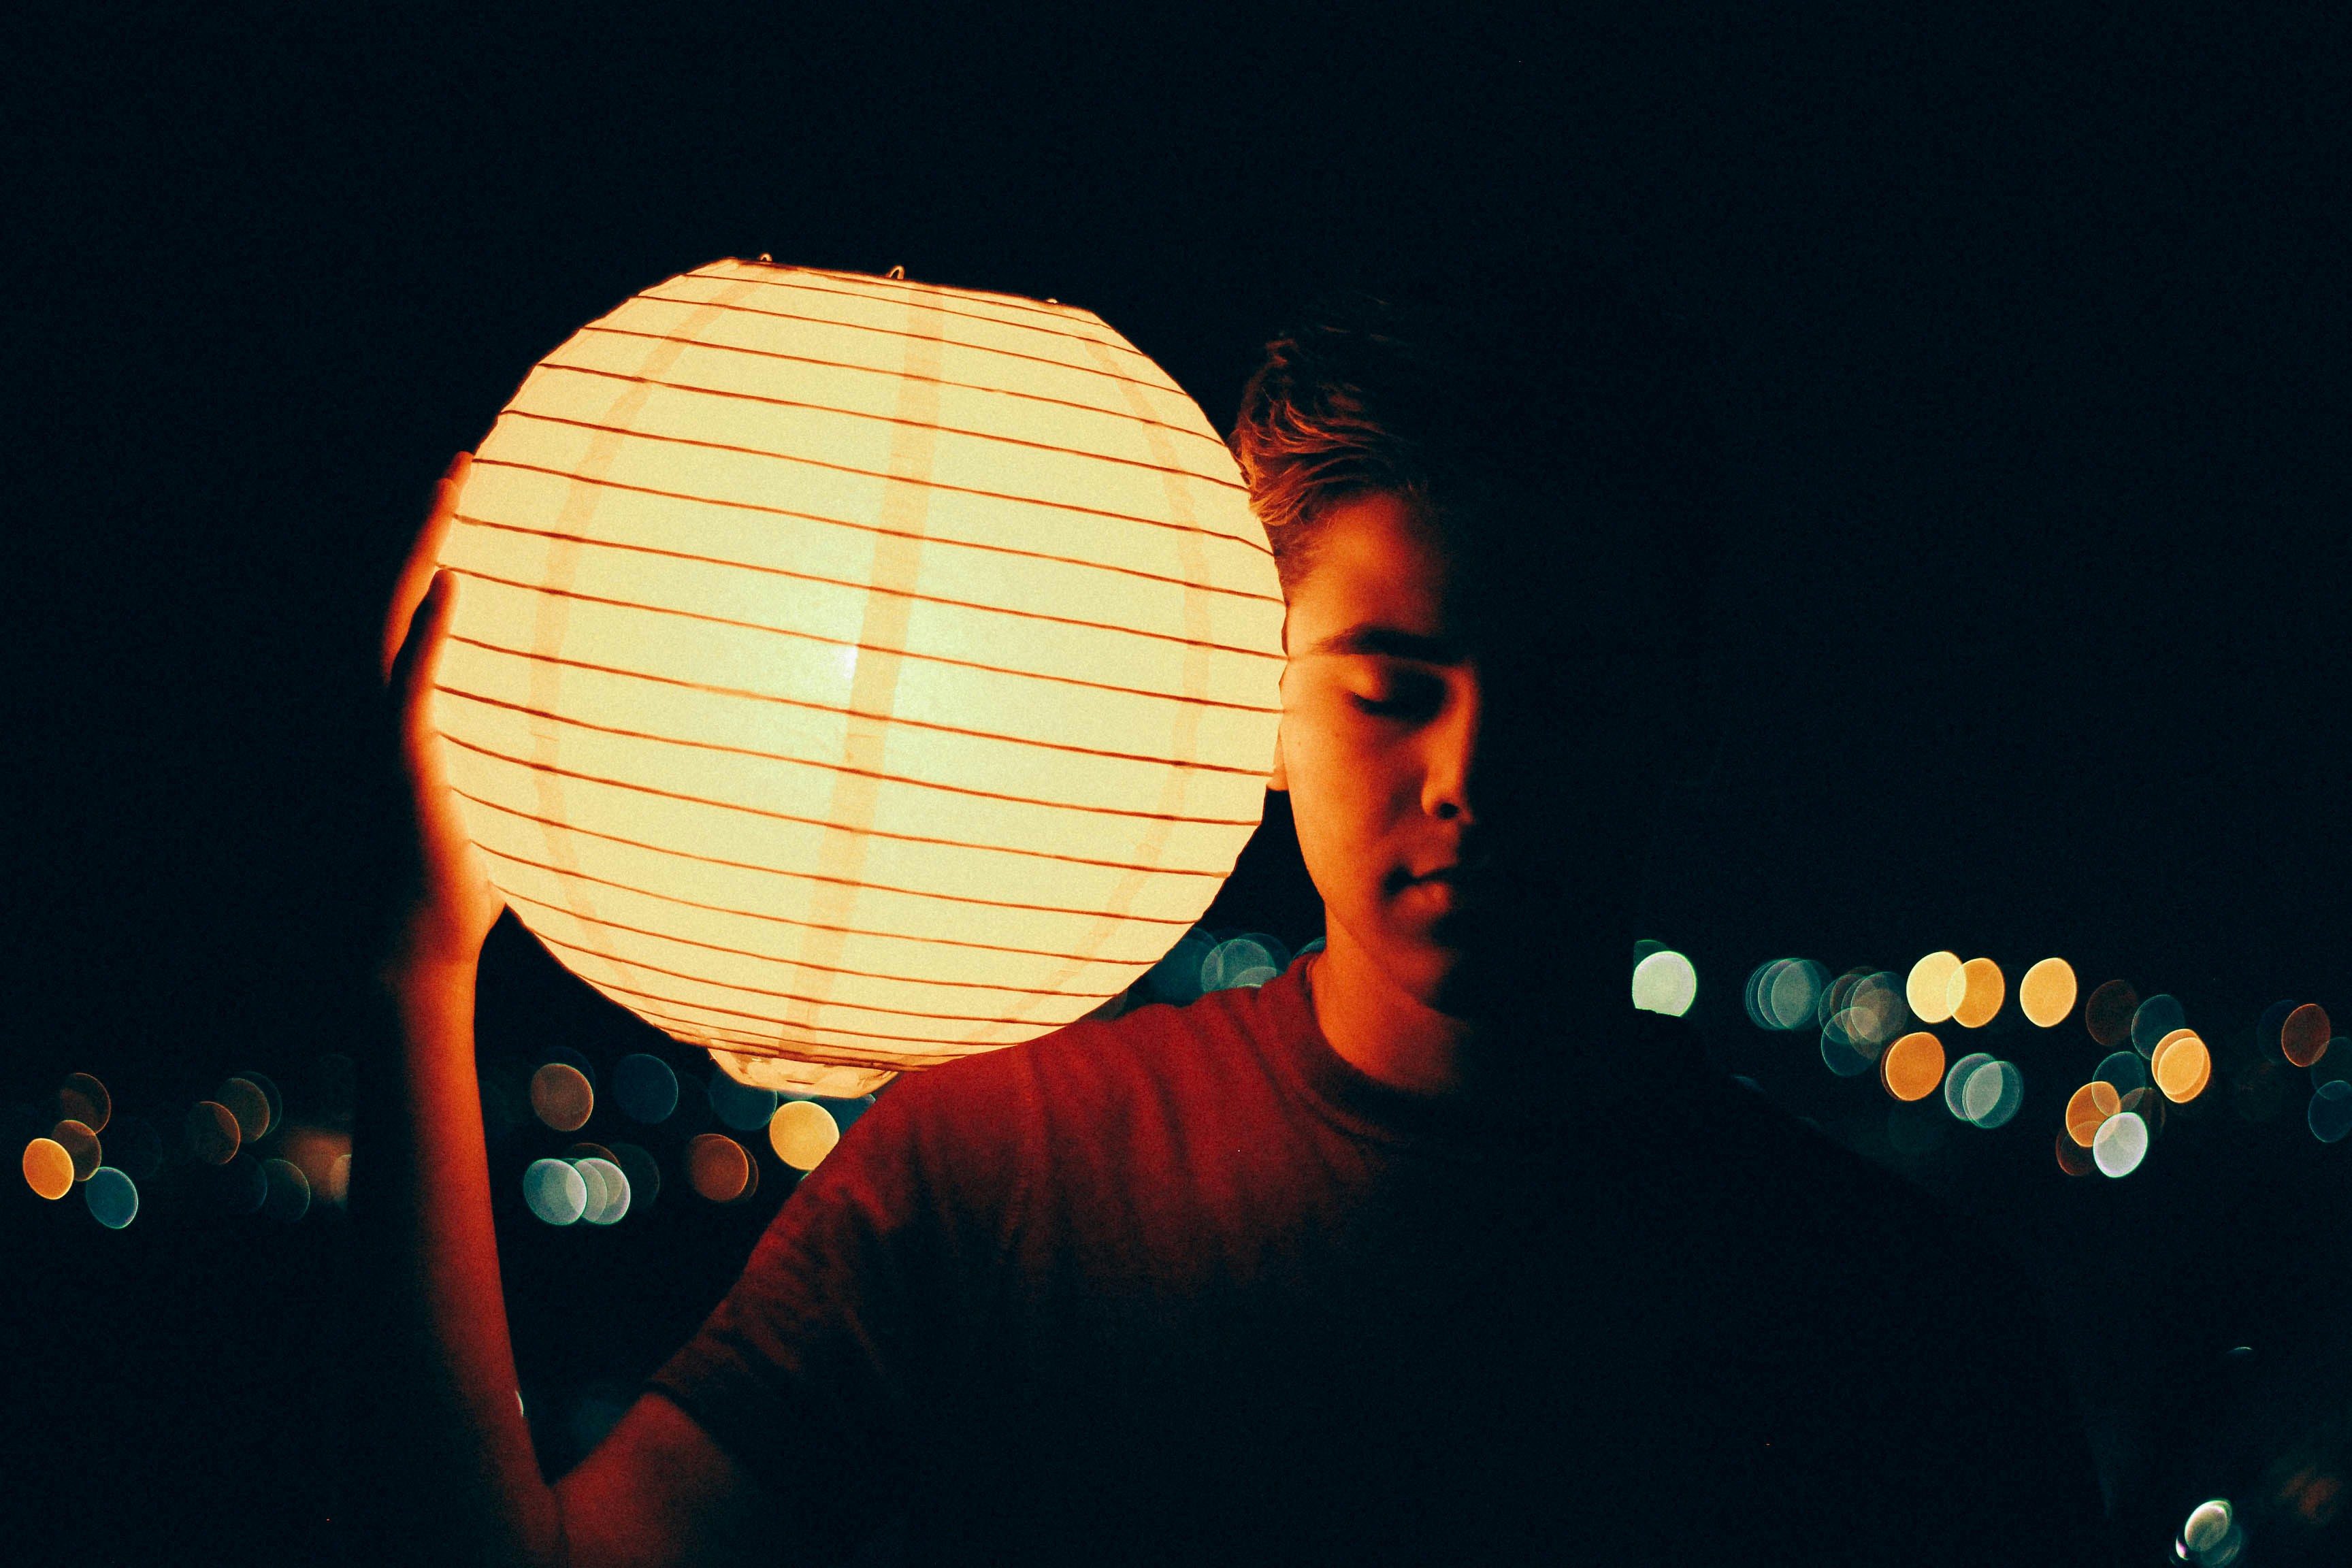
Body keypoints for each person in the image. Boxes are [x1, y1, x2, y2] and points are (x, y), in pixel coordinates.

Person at [363, 290, 2112, 1565]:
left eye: (1564, 697)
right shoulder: (995, 1175)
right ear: (1258, 712)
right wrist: (416, 970)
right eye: (1388, 689)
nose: (1470, 775)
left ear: (1684, 720)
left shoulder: (1892, 1327)